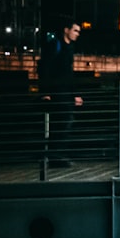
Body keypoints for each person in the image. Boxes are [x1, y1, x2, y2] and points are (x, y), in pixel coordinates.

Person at [38, 17, 83, 167]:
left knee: (65, 123)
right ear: (66, 30)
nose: (77, 34)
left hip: (65, 92)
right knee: (63, 123)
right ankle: (55, 157)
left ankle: (55, 156)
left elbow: (68, 73)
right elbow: (45, 69)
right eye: (75, 30)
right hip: (57, 92)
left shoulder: (68, 48)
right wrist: (45, 92)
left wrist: (74, 94)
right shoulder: (55, 46)